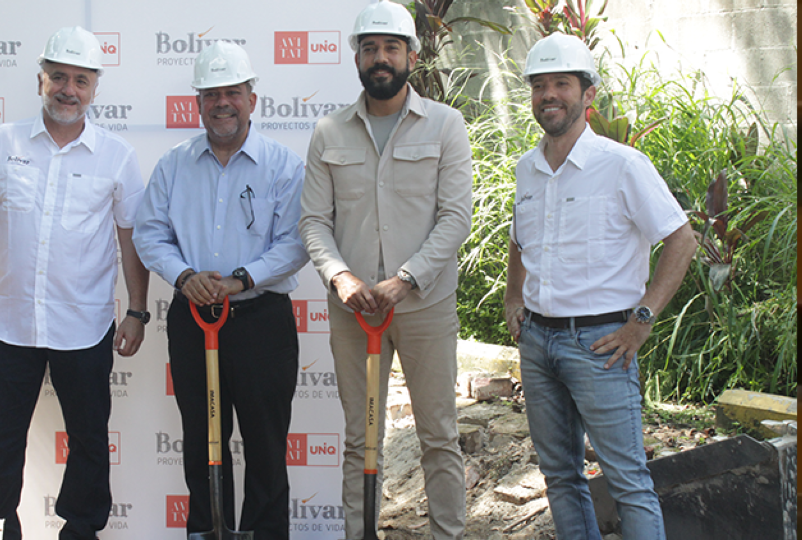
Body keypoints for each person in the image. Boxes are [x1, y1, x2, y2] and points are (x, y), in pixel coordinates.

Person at [0, 26, 150, 540]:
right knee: (1, 442)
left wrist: (138, 310)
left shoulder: (116, 155)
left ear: (94, 88)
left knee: (90, 440)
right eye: (58, 77)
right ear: (41, 81)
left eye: (80, 80)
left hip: (85, 324)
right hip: (10, 324)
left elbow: (131, 238)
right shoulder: (3, 142)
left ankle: (80, 529)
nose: (68, 89)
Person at [504, 33, 697, 540]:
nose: (549, 94)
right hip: (538, 342)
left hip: (602, 346)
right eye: (540, 85)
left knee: (628, 480)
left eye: (562, 84)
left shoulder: (623, 165)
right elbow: (520, 239)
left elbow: (682, 240)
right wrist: (513, 296)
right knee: (561, 477)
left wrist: (643, 321)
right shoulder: (528, 168)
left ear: (588, 94)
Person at [298, 1, 473, 538]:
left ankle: (449, 533)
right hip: (354, 310)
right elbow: (312, 222)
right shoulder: (329, 132)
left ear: (411, 56)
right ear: (356, 58)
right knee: (359, 439)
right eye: (370, 48)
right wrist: (341, 277)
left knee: (438, 433)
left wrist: (406, 278)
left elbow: (455, 217)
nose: (380, 58)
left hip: (425, 306)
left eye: (391, 48)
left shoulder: (445, 125)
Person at [133, 41, 307, 540]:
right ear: (198, 104)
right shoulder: (173, 165)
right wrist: (186, 277)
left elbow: (296, 241)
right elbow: (149, 233)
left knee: (267, 446)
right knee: (202, 441)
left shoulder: (283, 165)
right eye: (211, 94)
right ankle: (208, 531)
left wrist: (240, 279)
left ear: (253, 99)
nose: (222, 102)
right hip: (193, 320)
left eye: (233, 91)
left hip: (260, 321)